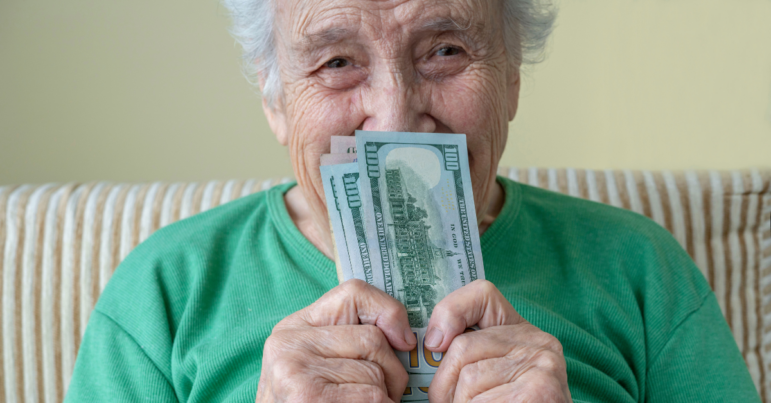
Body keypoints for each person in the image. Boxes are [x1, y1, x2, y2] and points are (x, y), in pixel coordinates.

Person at [65, 0, 760, 401]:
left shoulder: (638, 265)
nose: (395, 121)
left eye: (446, 50)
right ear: (274, 99)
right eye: (336, 62)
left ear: (512, 76)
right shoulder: (164, 290)